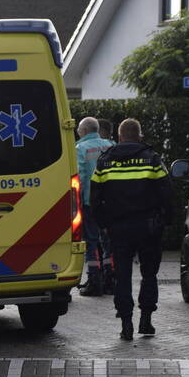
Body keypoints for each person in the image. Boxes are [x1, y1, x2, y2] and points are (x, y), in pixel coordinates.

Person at [90, 118, 172, 340]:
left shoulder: (105, 161)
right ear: (140, 135)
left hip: (118, 229)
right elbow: (166, 193)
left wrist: (105, 225)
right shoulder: (153, 159)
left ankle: (126, 324)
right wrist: (164, 222)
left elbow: (95, 199)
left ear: (119, 136)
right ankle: (146, 320)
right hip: (148, 228)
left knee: (122, 276)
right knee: (149, 275)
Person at [75, 117, 115, 296]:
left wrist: (79, 203)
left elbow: (81, 177)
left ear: (83, 131)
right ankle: (111, 280)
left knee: (91, 241)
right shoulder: (111, 145)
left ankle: (94, 281)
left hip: (91, 202)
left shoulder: (80, 148)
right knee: (109, 241)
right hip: (112, 201)